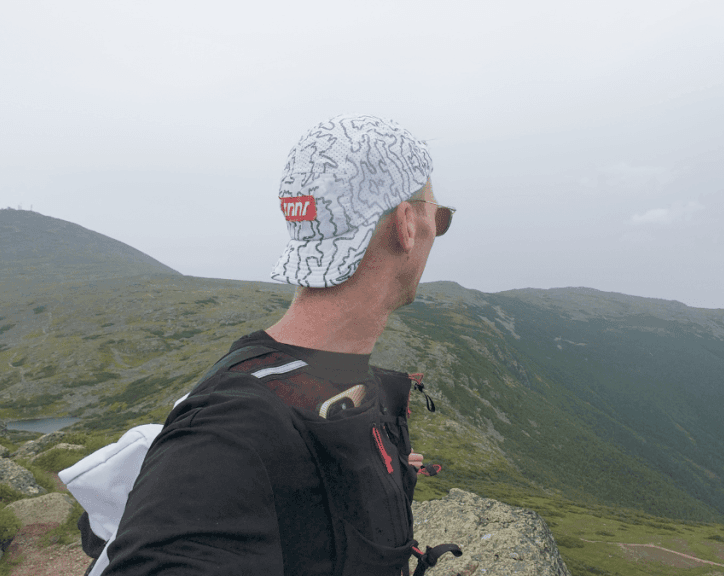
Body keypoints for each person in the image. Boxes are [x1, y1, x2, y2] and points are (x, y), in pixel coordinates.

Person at [99, 114, 457, 576]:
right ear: (407, 225)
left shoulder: (321, 387)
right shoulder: (229, 432)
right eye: (438, 217)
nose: (436, 231)